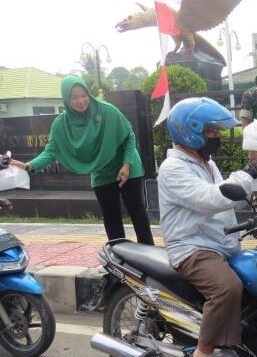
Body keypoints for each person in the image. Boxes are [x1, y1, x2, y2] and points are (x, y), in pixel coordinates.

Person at [158, 97, 257, 357]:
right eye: (211, 131)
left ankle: (245, 347)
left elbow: (230, 193)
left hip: (218, 243)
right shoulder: (174, 168)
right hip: (191, 247)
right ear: (190, 131)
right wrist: (248, 172)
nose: (217, 136)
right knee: (227, 288)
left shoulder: (204, 162)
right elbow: (212, 199)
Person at [10, 75, 154, 246]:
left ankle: (149, 256)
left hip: (126, 165)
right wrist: (28, 166)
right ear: (66, 99)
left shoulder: (106, 110)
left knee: (137, 212)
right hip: (101, 171)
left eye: (83, 95)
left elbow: (129, 135)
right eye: (74, 97)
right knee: (111, 216)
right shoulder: (61, 124)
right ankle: (119, 259)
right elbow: (51, 151)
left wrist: (126, 164)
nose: (81, 101)